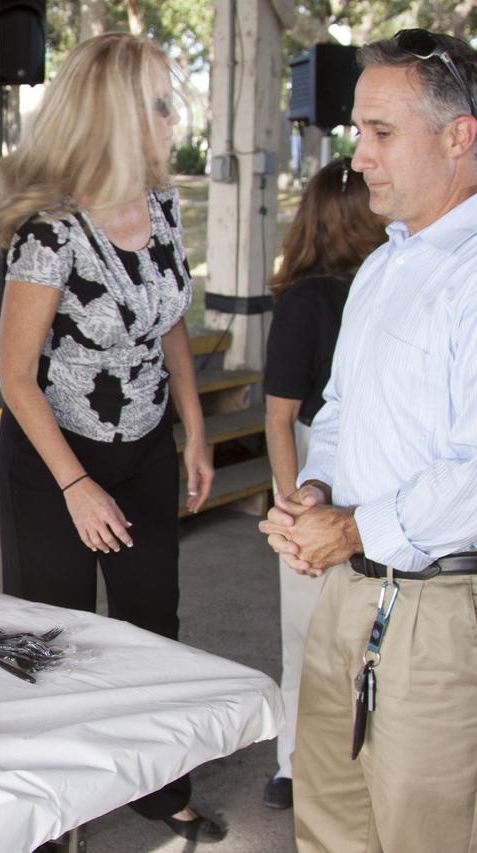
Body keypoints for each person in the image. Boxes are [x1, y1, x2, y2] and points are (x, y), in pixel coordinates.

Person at [0, 33, 224, 843]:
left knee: (155, 621)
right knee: (53, 639)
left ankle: (156, 785)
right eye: (156, 103)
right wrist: (77, 486)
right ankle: (52, 809)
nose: (170, 117)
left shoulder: (162, 205)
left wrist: (193, 427)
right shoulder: (50, 232)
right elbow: (14, 375)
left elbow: (171, 323)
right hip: (55, 459)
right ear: (115, 114)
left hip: (146, 441)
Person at [260, 29, 477, 852]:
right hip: (352, 593)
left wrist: (349, 526)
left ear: (460, 136)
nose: (360, 158)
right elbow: (342, 408)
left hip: (444, 612)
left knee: (424, 831)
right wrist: (317, 490)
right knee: (329, 818)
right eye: (358, 131)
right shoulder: (387, 263)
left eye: (382, 133)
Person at [259, 159, 386, 811]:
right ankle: (293, 760)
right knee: (306, 630)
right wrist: (293, 503)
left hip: (380, 474)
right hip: (316, 468)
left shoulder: (394, 279)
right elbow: (281, 417)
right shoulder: (308, 300)